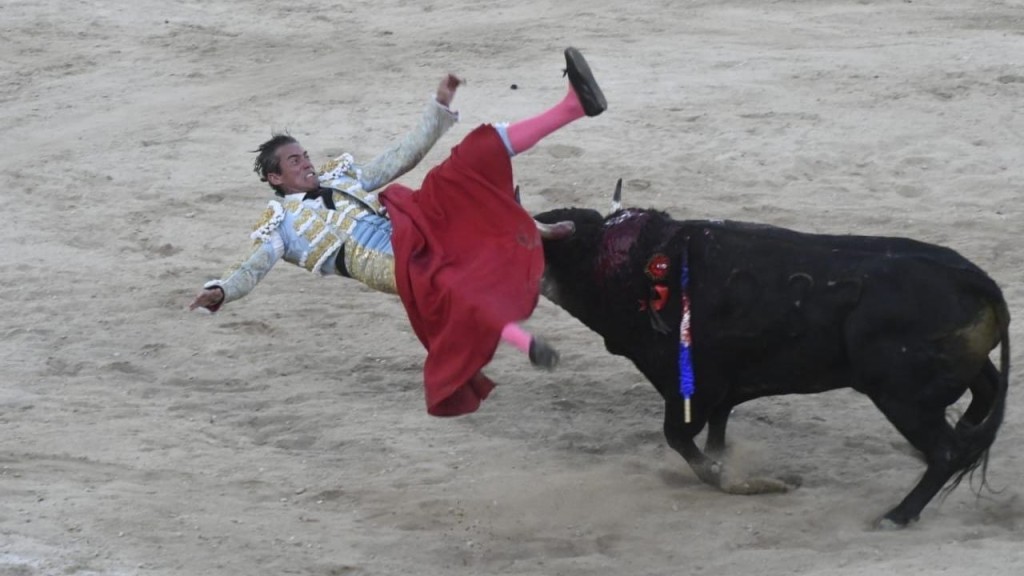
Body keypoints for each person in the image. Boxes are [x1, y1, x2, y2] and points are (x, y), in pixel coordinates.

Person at [189, 47, 606, 416]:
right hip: (378, 261)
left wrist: (438, 108)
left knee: (466, 162)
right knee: (449, 284)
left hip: (405, 224)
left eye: (304, 155)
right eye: (294, 161)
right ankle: (523, 338)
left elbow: (400, 157)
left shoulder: (342, 177)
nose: (306, 163)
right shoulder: (280, 223)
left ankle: (571, 108)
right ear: (276, 178)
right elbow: (253, 265)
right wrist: (223, 290)